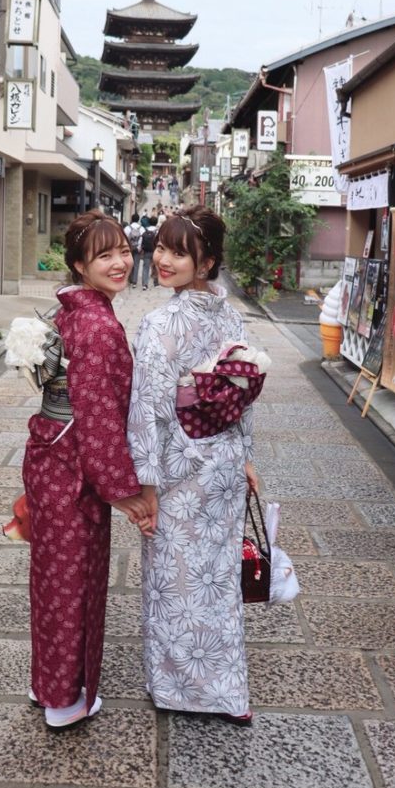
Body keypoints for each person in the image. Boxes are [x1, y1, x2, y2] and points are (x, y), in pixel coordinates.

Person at [127, 206, 263, 726]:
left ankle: (178, 687)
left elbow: (150, 408)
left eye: (178, 251)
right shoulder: (231, 317)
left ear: (206, 261)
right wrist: (245, 455)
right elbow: (243, 395)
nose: (162, 258)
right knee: (217, 581)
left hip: (181, 467)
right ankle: (226, 690)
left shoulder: (161, 322)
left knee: (173, 580)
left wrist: (146, 484)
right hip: (222, 463)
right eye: (161, 247)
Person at [22, 211, 154, 730]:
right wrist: (126, 493)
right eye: (104, 255)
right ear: (79, 264)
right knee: (74, 584)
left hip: (50, 456)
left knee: (53, 580)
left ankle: (47, 684)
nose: (121, 262)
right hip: (75, 468)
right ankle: (65, 701)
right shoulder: (98, 324)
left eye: (123, 250)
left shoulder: (74, 312)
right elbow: (98, 419)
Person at [125, 213, 144, 288]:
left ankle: (129, 279)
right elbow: (143, 238)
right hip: (138, 248)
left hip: (129, 248)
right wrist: (140, 247)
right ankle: (134, 282)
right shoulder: (141, 228)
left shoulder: (127, 228)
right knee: (136, 265)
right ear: (138, 219)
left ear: (132, 219)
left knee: (128, 264)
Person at [140, 216, 157, 290]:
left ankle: (145, 284)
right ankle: (156, 281)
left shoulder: (145, 230)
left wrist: (140, 248)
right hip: (155, 251)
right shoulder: (157, 231)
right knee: (156, 266)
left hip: (146, 251)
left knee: (145, 267)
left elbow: (141, 240)